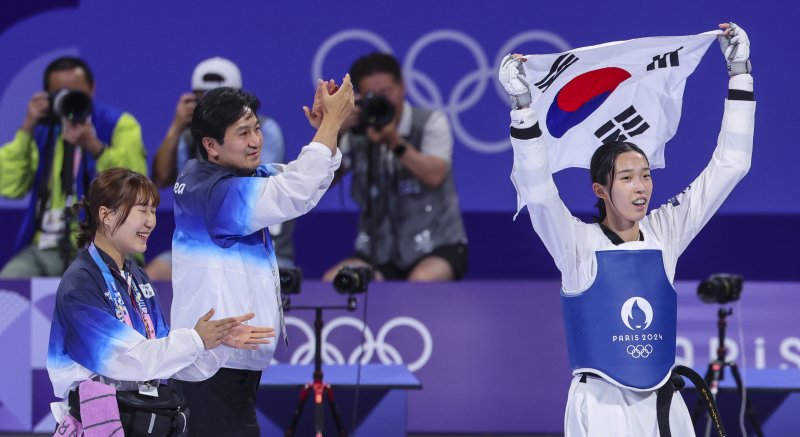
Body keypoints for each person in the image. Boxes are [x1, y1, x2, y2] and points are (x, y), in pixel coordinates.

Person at [500, 23, 754, 436]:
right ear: (600, 189)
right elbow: (539, 190)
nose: (641, 187)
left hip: (663, 406)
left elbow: (731, 166)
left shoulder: (666, 232)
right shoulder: (576, 243)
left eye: (646, 175)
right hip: (600, 409)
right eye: (627, 178)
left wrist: (740, 72)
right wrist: (522, 108)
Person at [168, 76, 354, 436]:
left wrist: (326, 134)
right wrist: (332, 123)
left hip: (231, 367)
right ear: (211, 145)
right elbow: (293, 192)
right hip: (210, 369)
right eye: (243, 133)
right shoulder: (214, 194)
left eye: (257, 129)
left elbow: (302, 182)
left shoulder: (229, 176)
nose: (256, 141)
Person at [46, 168, 274, 434]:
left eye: (153, 210)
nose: (151, 221)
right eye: (141, 210)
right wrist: (195, 339)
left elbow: (163, 358)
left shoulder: (136, 276)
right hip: (94, 421)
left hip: (137, 417)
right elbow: (129, 359)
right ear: (106, 215)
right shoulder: (81, 283)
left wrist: (216, 342)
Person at [322, 52, 468, 282]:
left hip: (436, 245)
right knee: (337, 280)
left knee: (421, 280)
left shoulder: (430, 122)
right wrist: (335, 132)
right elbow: (323, 181)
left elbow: (435, 175)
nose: (381, 101)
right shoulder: (357, 132)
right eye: (371, 95)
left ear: (403, 88)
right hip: (379, 250)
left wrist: (394, 142)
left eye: (386, 93)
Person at [146, 56, 294, 280]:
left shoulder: (266, 130)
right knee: (154, 274)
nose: (211, 105)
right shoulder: (189, 136)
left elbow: (255, 187)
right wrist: (176, 127)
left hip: (257, 245)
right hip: (204, 247)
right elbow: (161, 178)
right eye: (202, 97)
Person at [0, 56, 148, 278]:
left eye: (75, 93)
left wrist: (95, 146)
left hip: (106, 241)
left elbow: (136, 184)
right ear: (48, 96)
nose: (69, 100)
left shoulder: (119, 123)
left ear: (92, 89)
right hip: (46, 247)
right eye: (60, 94)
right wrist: (27, 128)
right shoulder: (42, 130)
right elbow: (9, 185)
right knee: (10, 281)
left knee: (105, 284)